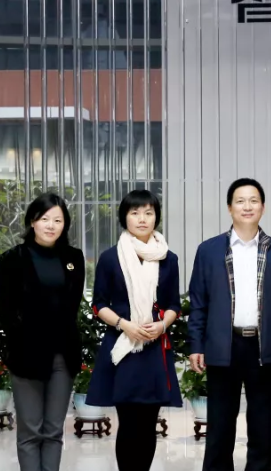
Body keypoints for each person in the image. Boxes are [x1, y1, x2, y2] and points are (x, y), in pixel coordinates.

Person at [187, 178, 271, 471]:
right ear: (229, 208)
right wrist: (196, 345)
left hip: (264, 346)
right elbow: (198, 302)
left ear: (263, 207)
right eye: (240, 201)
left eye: (253, 200)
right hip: (223, 346)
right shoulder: (209, 250)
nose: (247, 206)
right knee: (220, 425)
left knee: (263, 425)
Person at [85, 190, 183, 471]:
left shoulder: (168, 258)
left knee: (148, 423)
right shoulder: (110, 258)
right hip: (123, 346)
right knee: (128, 422)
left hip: (154, 348)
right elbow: (99, 304)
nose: (142, 219)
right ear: (124, 217)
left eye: (148, 213)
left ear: (156, 218)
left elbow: (173, 304)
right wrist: (124, 324)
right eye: (135, 213)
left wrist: (162, 325)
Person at [0, 193, 86, 471]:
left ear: (65, 224)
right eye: (45, 219)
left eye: (58, 220)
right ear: (32, 221)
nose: (51, 225)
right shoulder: (12, 259)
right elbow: (6, 312)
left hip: (63, 356)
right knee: (30, 431)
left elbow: (72, 306)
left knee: (53, 431)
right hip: (26, 356)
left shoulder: (74, 258)